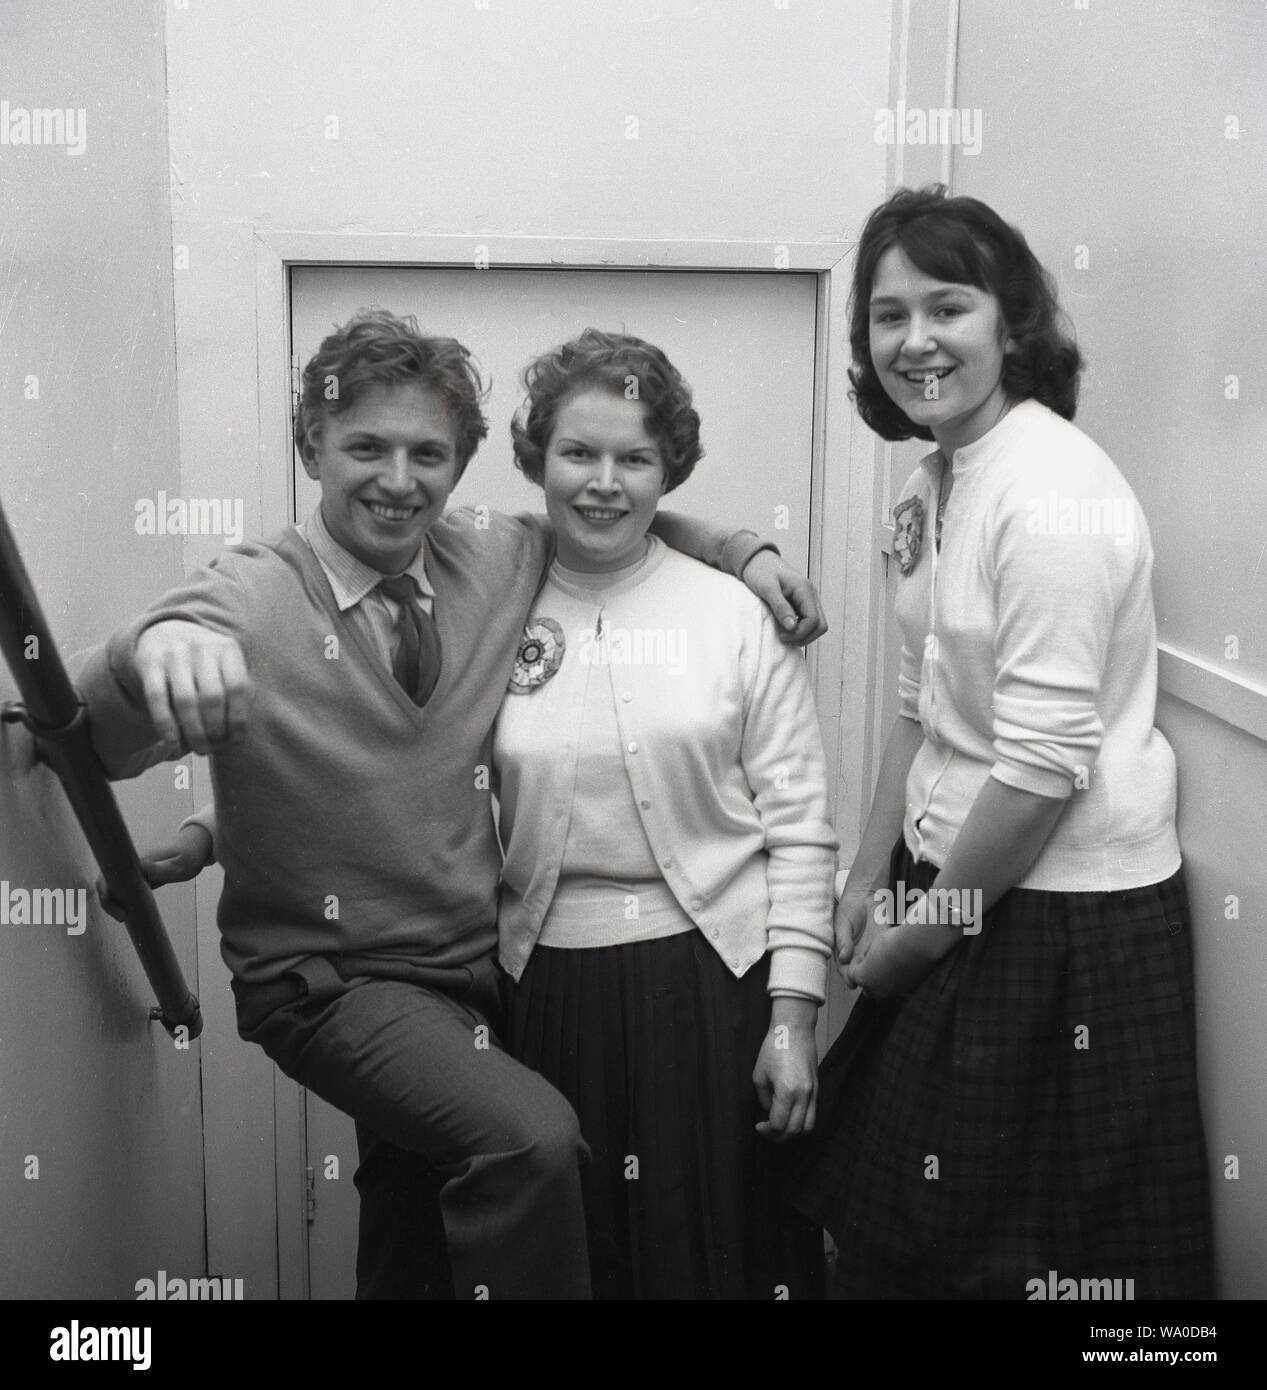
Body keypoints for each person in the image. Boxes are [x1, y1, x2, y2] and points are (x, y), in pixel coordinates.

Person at [76, 309, 827, 1301]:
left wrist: (743, 550)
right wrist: (152, 646)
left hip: (473, 981)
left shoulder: (487, 562)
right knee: (531, 1146)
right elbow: (109, 711)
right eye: (366, 447)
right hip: (339, 983)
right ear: (312, 444)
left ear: (464, 465)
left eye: (427, 452)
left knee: (415, 1233)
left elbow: (606, 518)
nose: (398, 478)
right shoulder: (252, 597)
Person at [790, 186, 1213, 1300]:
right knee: (902, 1231)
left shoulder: (1053, 494)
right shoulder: (934, 478)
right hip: (962, 882)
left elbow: (1036, 773)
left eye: (948, 307)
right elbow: (916, 702)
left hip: (1064, 916)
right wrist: (865, 866)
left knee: (1047, 1265)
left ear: (1010, 325)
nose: (916, 341)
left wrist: (913, 942)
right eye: (889, 316)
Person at [493, 329, 838, 1299]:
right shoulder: (486, 604)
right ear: (536, 459)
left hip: (710, 992)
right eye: (578, 454)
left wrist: (793, 1019)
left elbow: (801, 828)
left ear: (668, 469)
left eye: (634, 458)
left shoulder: (731, 614)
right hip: (542, 993)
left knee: (713, 1257)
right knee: (579, 1258)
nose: (604, 483)